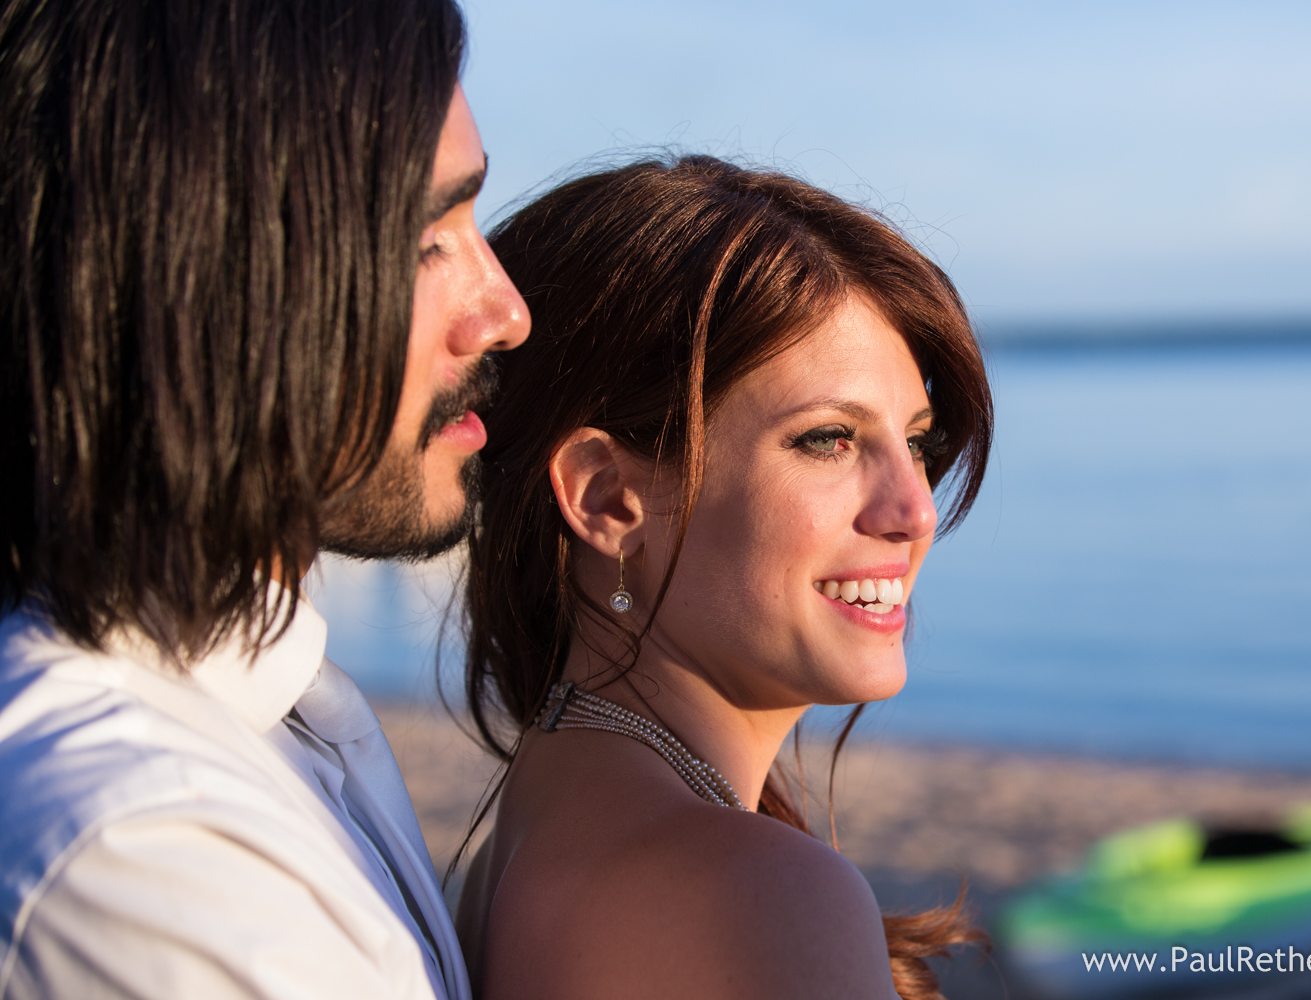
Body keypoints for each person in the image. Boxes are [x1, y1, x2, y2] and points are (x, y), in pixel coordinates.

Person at [0, 1, 529, 997]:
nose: (505, 312)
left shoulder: (275, 700)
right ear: (199, 274)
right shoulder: (141, 849)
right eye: (426, 243)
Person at [456, 155, 994, 999]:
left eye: (917, 442)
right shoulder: (753, 893)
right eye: (828, 439)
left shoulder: (531, 831)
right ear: (607, 496)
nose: (915, 511)